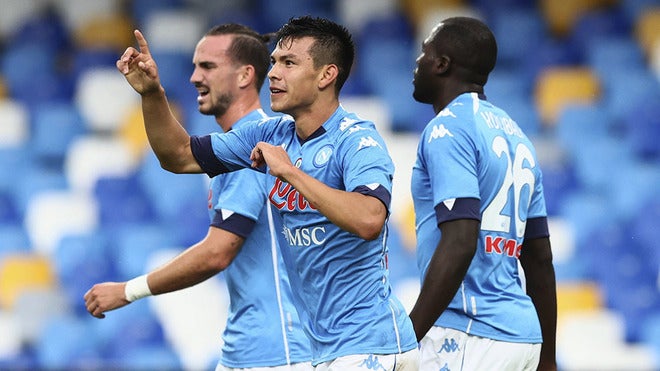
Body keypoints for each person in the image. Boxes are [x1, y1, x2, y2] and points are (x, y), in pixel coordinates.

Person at [104, 15, 419, 369]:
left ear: (326, 75)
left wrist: (289, 172)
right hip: (322, 350)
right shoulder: (268, 135)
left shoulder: (357, 139)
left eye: (289, 63)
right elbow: (178, 156)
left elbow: (369, 219)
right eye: (273, 63)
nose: (273, 74)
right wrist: (151, 93)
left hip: (369, 343)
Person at [84, 24, 313, 370]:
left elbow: (217, 252)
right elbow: (176, 156)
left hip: (275, 352)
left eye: (207, 66)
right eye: (194, 66)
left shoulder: (256, 144)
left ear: (244, 76)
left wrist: (127, 290)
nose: (193, 77)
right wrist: (151, 93)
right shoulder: (241, 143)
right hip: (258, 348)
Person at [407, 16, 557, 371]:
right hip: (521, 340)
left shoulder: (448, 129)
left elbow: (460, 240)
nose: (417, 62)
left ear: (442, 64)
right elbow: (539, 257)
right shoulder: (517, 135)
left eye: (424, 53)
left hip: (468, 337)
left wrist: (407, 335)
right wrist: (547, 359)